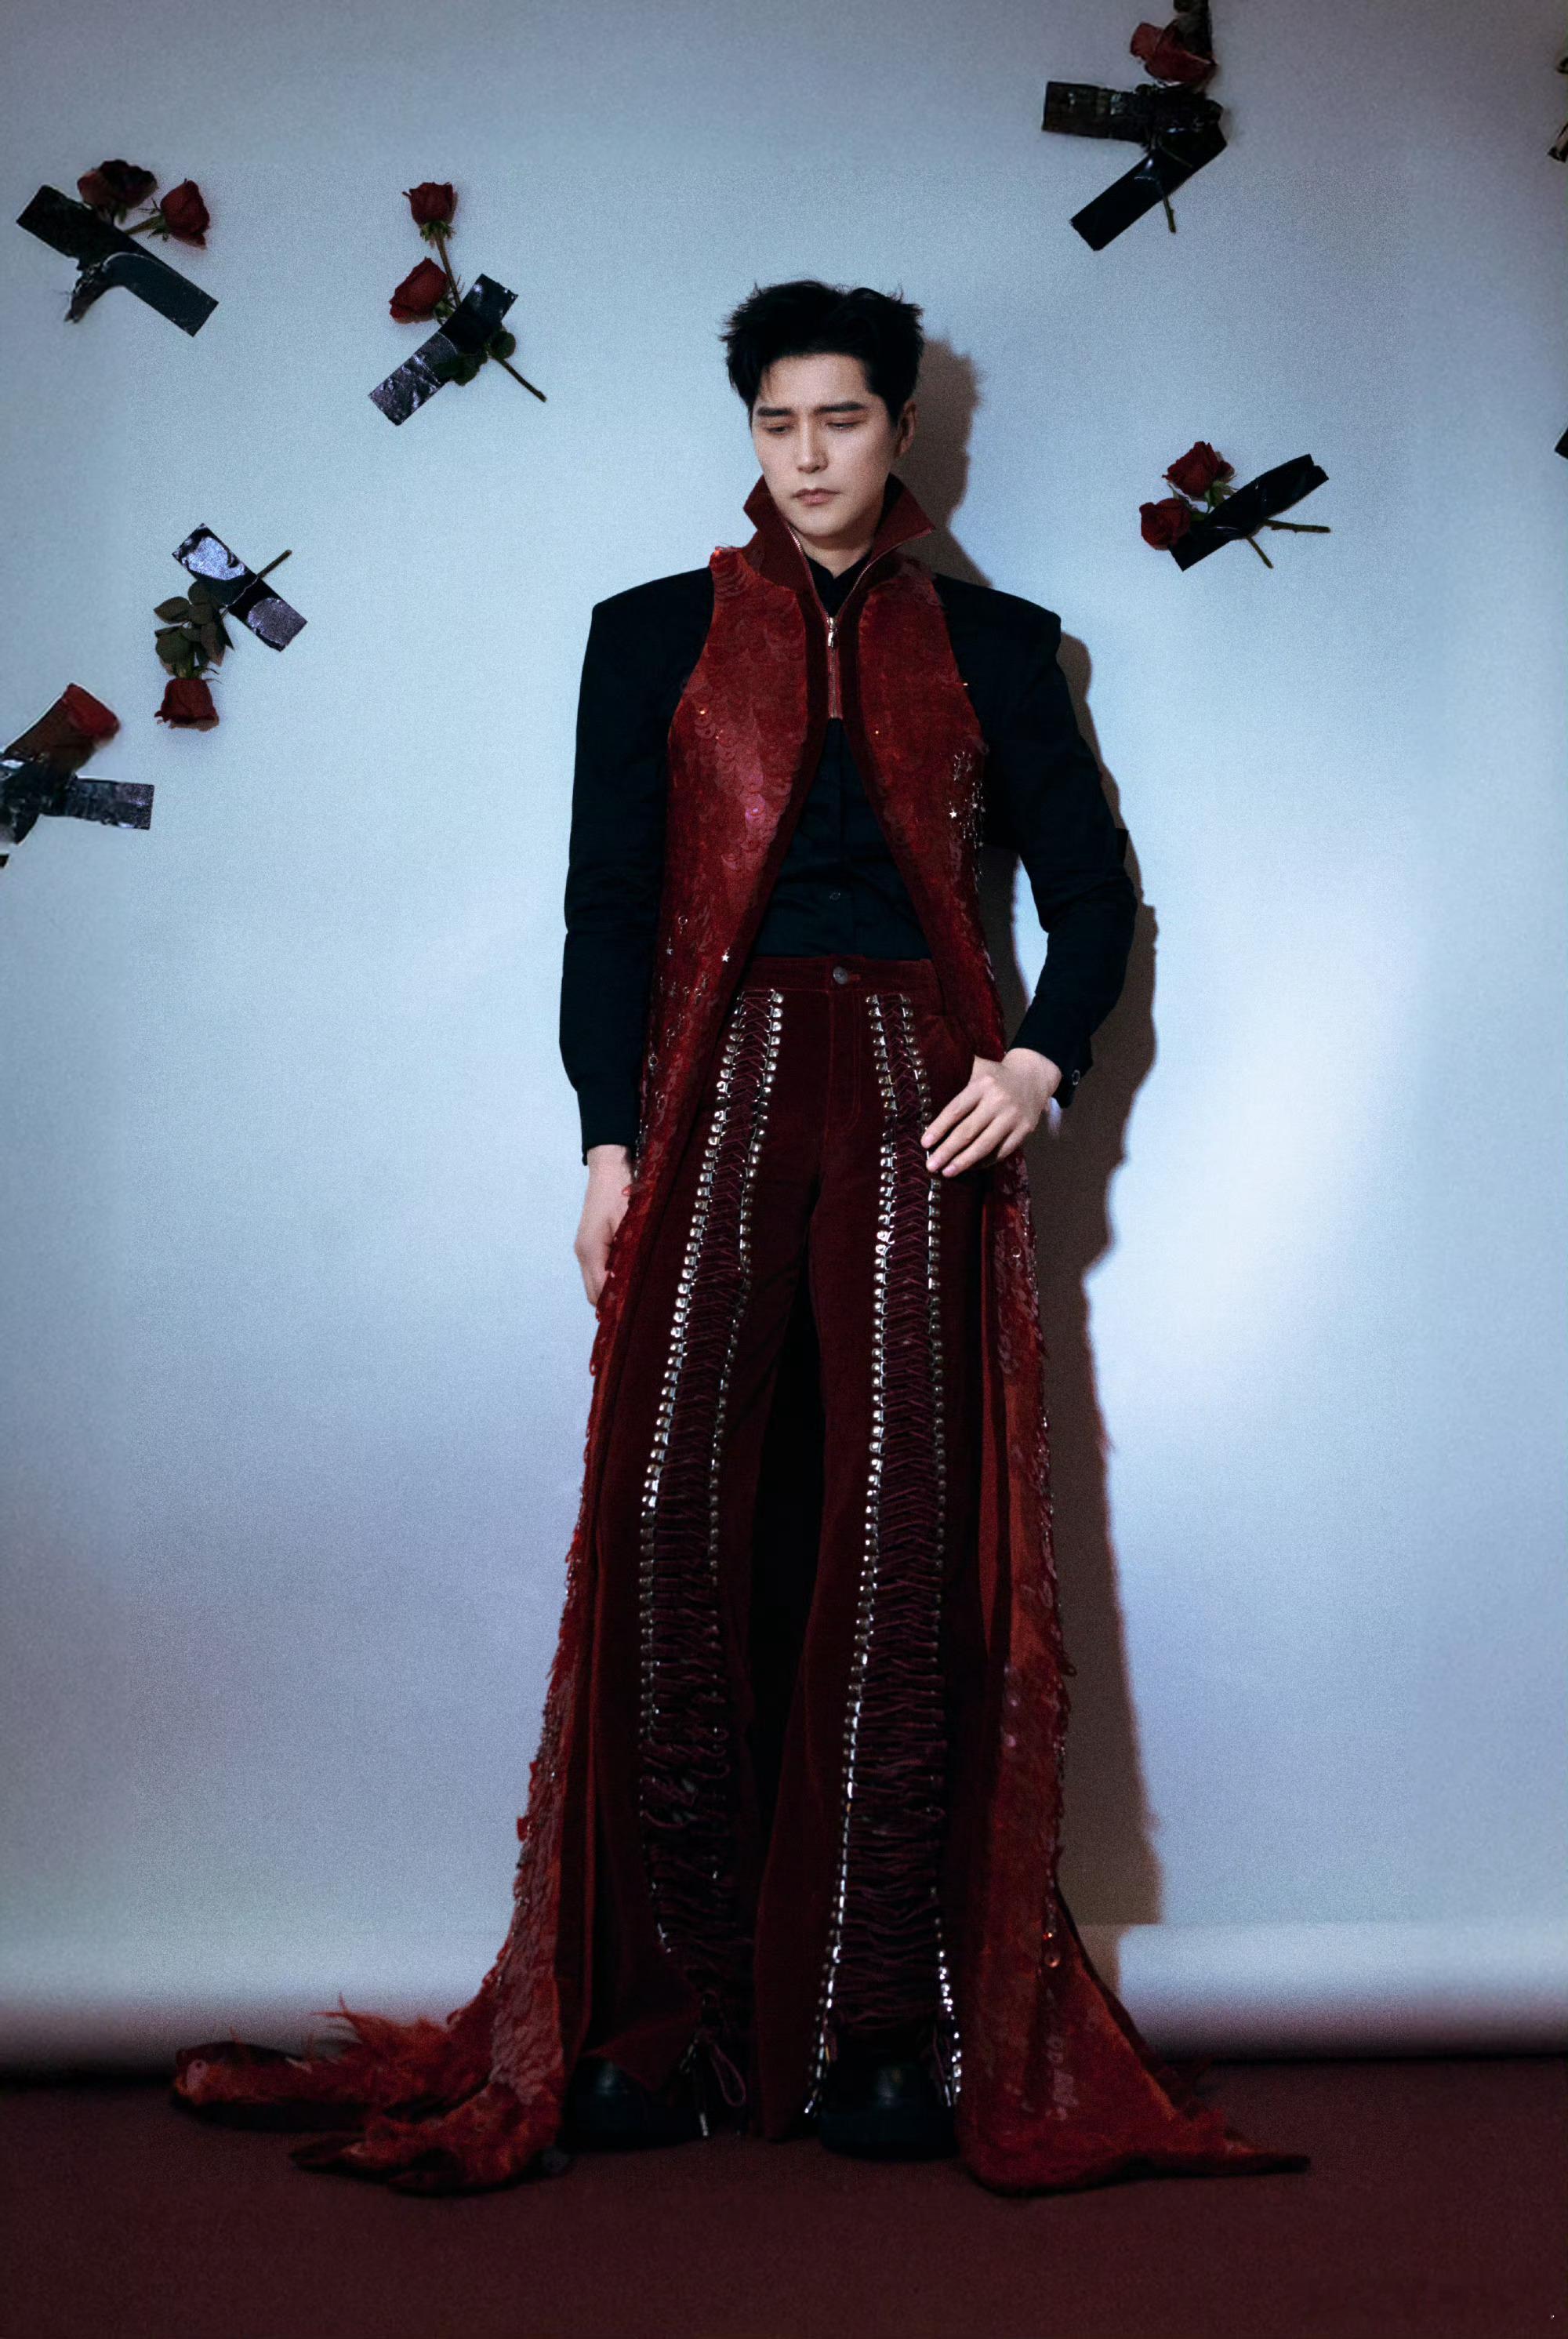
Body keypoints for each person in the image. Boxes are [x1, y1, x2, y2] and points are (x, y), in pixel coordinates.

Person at [171, 280, 1302, 2196]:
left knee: (900, 1526)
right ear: (749, 435)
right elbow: (606, 903)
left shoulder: (1004, 646)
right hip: (716, 1090)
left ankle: (878, 2032)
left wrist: (1036, 1063)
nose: (808, 456)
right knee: (674, 1514)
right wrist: (606, 1142)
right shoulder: (653, 634)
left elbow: (1096, 896)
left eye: (841, 419)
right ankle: (663, 2026)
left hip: (925, 1101)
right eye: (777, 423)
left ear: (901, 431)